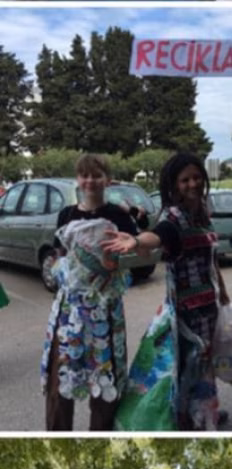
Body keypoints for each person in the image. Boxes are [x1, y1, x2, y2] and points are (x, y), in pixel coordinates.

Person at [102, 153, 230, 430]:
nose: (193, 184)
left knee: (204, 364)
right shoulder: (173, 217)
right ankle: (185, 421)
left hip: (208, 306)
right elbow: (159, 236)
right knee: (186, 368)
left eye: (196, 177)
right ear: (173, 186)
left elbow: (211, 257)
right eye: (185, 180)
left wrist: (224, 291)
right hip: (186, 314)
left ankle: (206, 412)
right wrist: (136, 241)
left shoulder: (202, 212)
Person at [41, 153, 141, 431]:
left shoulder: (118, 215)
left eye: (96, 175)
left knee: (105, 379)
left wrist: (122, 260)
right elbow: (58, 256)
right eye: (85, 175)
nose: (90, 181)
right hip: (69, 312)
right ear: (78, 179)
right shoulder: (66, 214)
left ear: (107, 180)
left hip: (105, 310)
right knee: (59, 381)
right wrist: (61, 269)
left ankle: (102, 436)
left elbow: (135, 252)